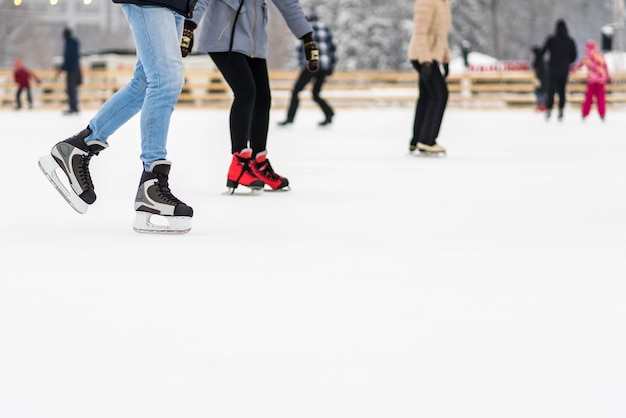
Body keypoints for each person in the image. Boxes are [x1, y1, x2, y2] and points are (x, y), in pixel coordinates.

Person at [38, 0, 197, 234]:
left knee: (145, 82)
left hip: (177, 4)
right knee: (166, 80)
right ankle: (152, 184)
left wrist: (191, 17)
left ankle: (78, 147)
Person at [183, 0, 319, 194]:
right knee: (246, 92)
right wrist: (189, 26)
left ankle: (258, 163)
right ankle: (239, 162)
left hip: (254, 41)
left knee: (263, 98)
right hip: (223, 37)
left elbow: (288, 3)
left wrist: (307, 37)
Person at [278, 8, 337, 127]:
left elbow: (301, 50)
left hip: (310, 66)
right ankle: (329, 113)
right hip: (324, 66)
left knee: (296, 91)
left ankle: (290, 119)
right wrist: (330, 67)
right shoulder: (326, 28)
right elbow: (333, 48)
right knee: (316, 93)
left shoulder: (305, 30)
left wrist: (303, 64)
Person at [407, 0, 451, 156]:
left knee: (427, 96)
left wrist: (446, 59)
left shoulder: (442, 2)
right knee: (440, 95)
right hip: (424, 56)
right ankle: (427, 140)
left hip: (431, 56)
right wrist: (425, 61)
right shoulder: (427, 1)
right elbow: (420, 32)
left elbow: (441, 35)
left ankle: (417, 139)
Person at [540, 19, 577, 121]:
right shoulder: (570, 41)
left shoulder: (551, 39)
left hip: (552, 70)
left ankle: (549, 109)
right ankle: (561, 109)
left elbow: (543, 52)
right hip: (564, 71)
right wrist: (566, 62)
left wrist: (546, 63)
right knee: (562, 91)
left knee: (551, 90)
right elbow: (574, 56)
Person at [572, 40, 610, 121]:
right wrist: (607, 77)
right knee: (601, 99)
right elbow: (605, 67)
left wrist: (571, 69)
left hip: (592, 81)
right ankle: (602, 114)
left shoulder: (587, 58)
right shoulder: (600, 56)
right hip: (601, 81)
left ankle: (585, 114)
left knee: (588, 98)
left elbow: (578, 66)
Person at [57, 28, 82, 115]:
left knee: (71, 89)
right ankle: (73, 107)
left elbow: (69, 57)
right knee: (71, 89)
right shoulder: (72, 42)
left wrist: (63, 67)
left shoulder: (70, 43)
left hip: (72, 70)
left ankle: (73, 108)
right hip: (73, 69)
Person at [531, 45, 547, 111]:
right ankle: (542, 105)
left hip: (540, 79)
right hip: (545, 79)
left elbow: (534, 68)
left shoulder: (537, 60)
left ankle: (541, 105)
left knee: (539, 92)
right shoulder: (543, 60)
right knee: (543, 92)